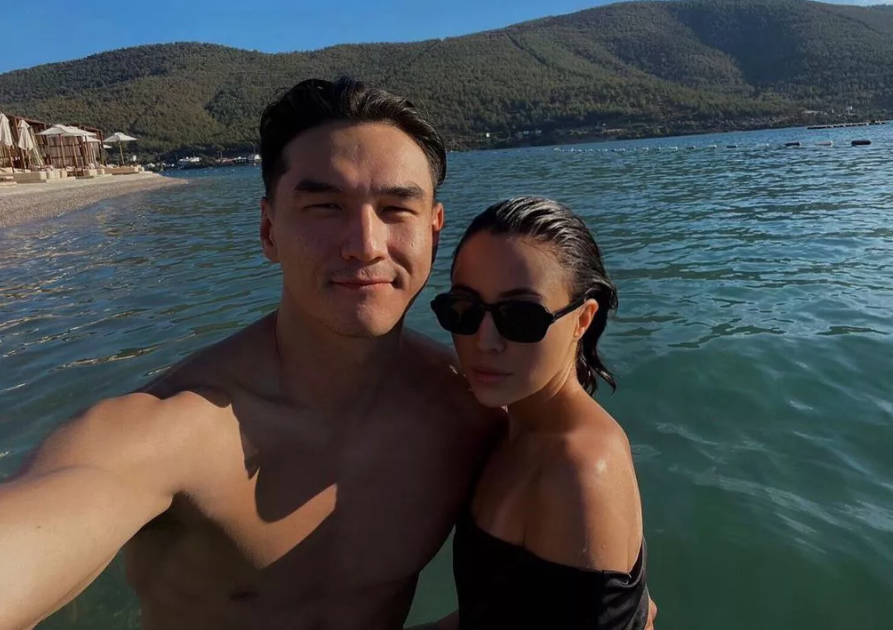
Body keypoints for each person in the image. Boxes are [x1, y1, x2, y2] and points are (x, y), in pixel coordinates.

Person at [0, 78, 503, 630]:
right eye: (325, 206)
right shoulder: (173, 432)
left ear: (434, 231)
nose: (365, 244)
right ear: (268, 231)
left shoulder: (469, 412)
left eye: (395, 208)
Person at [429, 197, 654, 629]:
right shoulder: (511, 426)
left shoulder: (580, 469)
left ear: (583, 319)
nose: (484, 341)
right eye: (464, 310)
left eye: (521, 316)